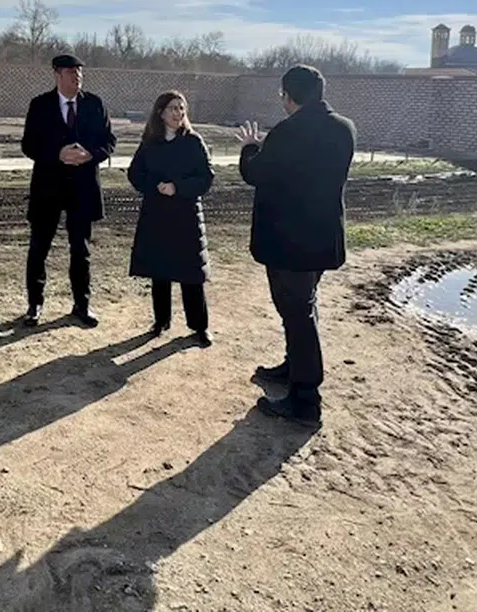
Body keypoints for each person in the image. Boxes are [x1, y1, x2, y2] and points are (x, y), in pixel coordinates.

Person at [236, 64, 356, 427]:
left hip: (289, 242)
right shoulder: (345, 128)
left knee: (297, 314)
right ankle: (294, 367)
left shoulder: (288, 132)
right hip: (321, 238)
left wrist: (249, 148)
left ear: (289, 96)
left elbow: (256, 173)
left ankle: (305, 399)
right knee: (303, 307)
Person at [20, 52, 117, 328]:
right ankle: (34, 305)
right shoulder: (40, 105)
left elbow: (109, 141)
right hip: (48, 188)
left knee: (81, 250)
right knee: (39, 248)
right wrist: (57, 154)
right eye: (71, 73)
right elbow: (29, 145)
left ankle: (82, 305)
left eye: (80, 73)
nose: (77, 77)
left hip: (82, 188)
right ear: (57, 75)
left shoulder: (94, 104)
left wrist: (91, 154)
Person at [126, 91, 214, 347]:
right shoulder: (150, 143)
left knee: (191, 274)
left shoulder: (193, 142)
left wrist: (178, 187)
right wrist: (154, 186)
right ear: (161, 112)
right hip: (157, 215)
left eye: (181, 108)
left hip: (186, 216)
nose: (178, 113)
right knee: (160, 270)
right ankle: (161, 320)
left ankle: (199, 326)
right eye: (173, 108)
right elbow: (135, 173)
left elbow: (206, 177)